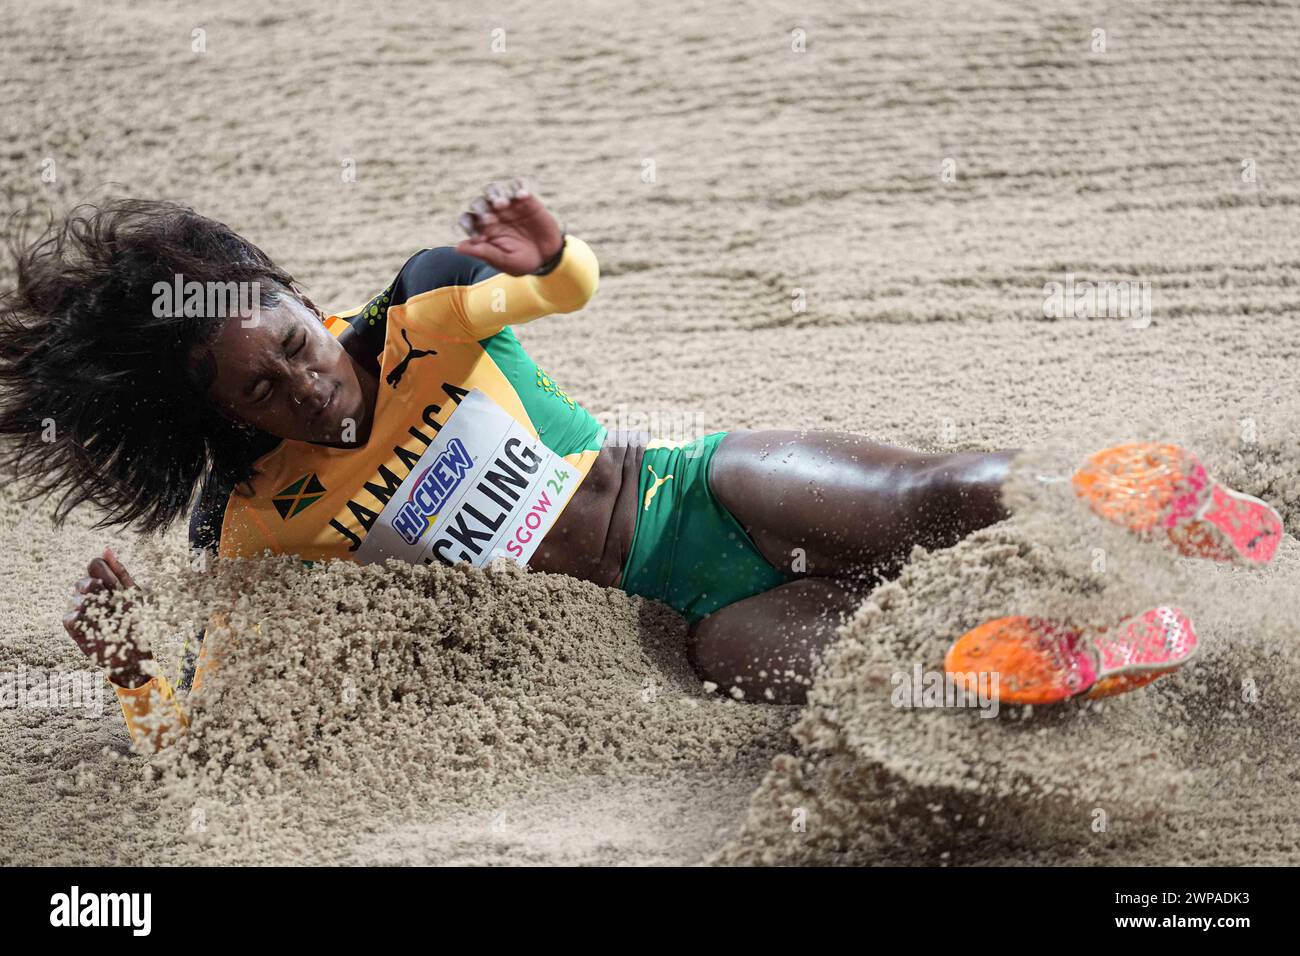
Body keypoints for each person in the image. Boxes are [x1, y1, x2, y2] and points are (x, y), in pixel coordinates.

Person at [0, 183, 1282, 753]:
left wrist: (553, 252)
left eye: (291, 341)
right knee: (872, 675)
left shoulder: (416, 320)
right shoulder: (256, 525)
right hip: (687, 619)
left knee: (927, 497)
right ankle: (1044, 658)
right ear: (218, 418)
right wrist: (125, 674)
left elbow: (558, 288)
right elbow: (220, 724)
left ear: (292, 293)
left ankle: (1127, 491)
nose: (305, 383)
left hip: (698, 486)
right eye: (261, 390)